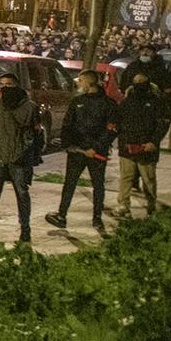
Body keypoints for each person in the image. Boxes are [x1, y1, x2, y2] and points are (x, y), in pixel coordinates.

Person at [45, 70, 119, 230]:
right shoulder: (78, 101)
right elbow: (68, 125)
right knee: (72, 183)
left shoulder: (108, 104)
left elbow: (111, 129)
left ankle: (96, 218)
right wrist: (70, 145)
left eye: (80, 80)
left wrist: (95, 148)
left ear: (89, 83)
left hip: (94, 152)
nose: (77, 83)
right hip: (78, 151)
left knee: (97, 185)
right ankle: (63, 215)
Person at [0, 74, 46, 243]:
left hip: (20, 160)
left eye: (8, 84)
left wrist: (28, 156)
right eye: (1, 85)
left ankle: (25, 229)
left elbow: (35, 135)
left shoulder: (30, 108)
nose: (4, 88)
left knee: (23, 194)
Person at [115, 70, 165, 218]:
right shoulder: (126, 103)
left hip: (147, 147)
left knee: (148, 179)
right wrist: (123, 142)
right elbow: (119, 123)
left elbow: (161, 124)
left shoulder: (155, 103)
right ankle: (123, 205)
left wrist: (154, 142)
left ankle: (151, 205)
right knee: (126, 178)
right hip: (128, 147)